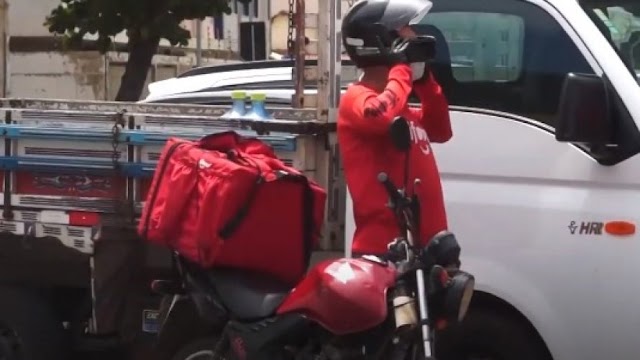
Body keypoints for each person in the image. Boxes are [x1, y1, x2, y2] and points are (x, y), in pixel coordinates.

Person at [339, 0, 452, 257]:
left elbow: (440, 130)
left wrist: (425, 82)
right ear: (380, 42)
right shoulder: (357, 99)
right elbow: (381, 114)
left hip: (424, 254)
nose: (413, 34)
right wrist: (401, 68)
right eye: (405, 28)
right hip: (386, 255)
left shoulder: (403, 109)